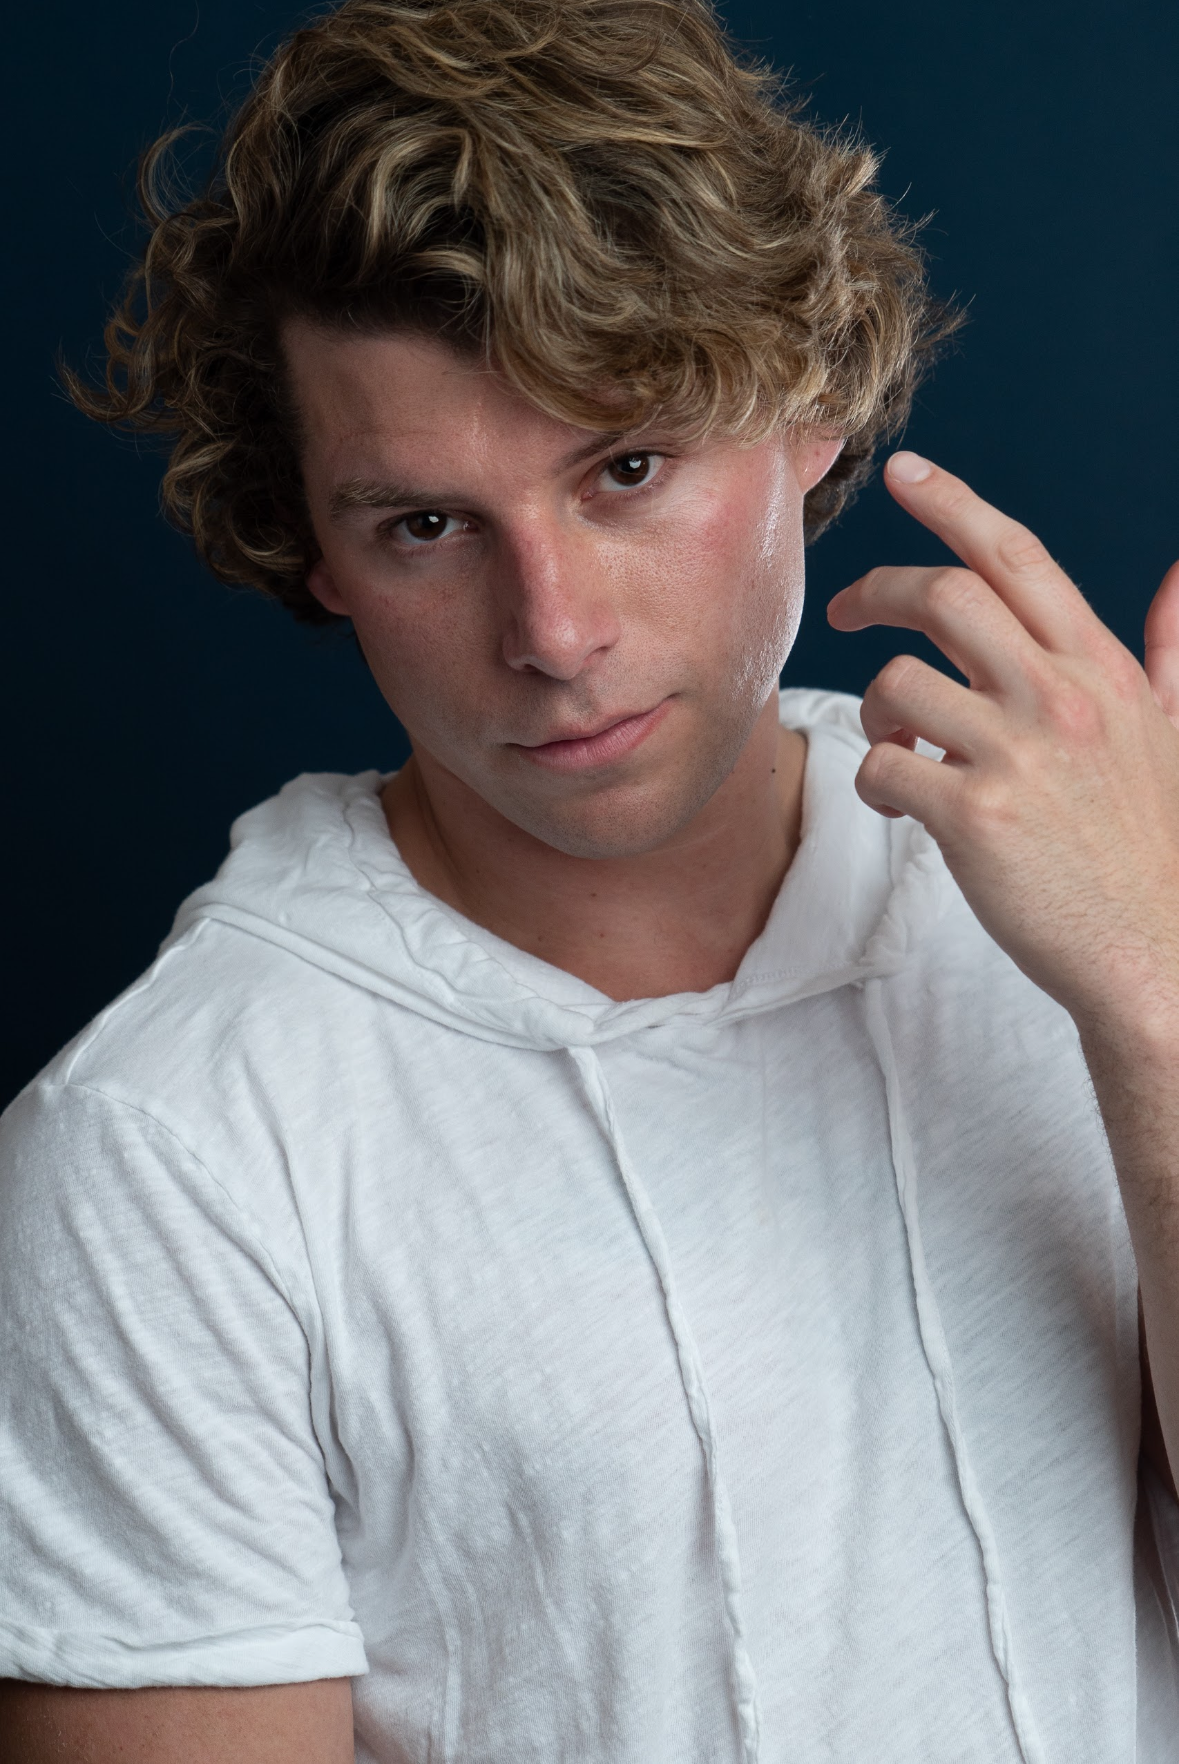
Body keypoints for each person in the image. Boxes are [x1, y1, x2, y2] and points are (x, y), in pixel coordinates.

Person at [1, 0, 1177, 1758]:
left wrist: (1154, 997)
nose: (553, 637)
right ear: (308, 541)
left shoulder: (1103, 878)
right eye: (422, 525)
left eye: (627, 468)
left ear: (812, 411)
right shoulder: (167, 1150)